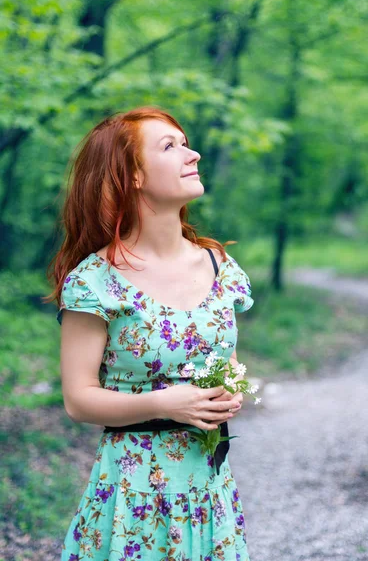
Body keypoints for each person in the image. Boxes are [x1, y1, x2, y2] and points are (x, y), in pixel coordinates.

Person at [47, 106, 255, 560]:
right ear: (133, 176)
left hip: (208, 488)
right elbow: (78, 398)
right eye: (170, 146)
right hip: (133, 495)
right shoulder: (95, 282)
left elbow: (230, 362)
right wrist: (164, 404)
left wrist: (233, 389)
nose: (192, 154)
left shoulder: (221, 267)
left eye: (186, 142)